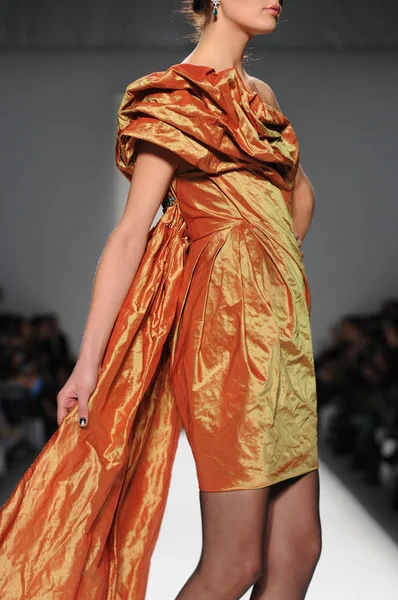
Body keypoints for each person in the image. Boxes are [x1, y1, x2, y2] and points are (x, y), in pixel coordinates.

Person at [0, 1, 321, 598]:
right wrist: (88, 362)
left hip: (284, 335)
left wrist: (262, 252)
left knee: (298, 553)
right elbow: (129, 235)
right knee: (234, 563)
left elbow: (295, 201)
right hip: (227, 341)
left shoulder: (263, 97)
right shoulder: (173, 98)